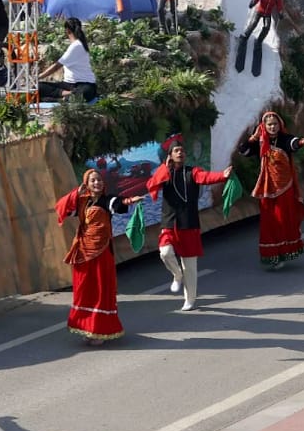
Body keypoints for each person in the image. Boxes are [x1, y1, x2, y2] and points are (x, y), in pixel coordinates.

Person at [144, 135, 231, 311]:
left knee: (190, 266)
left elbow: (206, 177)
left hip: (189, 223)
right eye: (176, 151)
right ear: (169, 155)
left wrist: (222, 175)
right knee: (165, 253)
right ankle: (176, 275)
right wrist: (164, 167)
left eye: (182, 151)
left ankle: (189, 299)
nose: (180, 153)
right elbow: (151, 185)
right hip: (170, 222)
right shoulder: (164, 174)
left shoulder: (193, 172)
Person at [54, 168, 133, 344]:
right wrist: (76, 193)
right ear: (87, 184)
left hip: (101, 253)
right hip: (83, 252)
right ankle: (85, 326)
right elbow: (61, 208)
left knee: (100, 289)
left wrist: (130, 200)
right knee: (83, 290)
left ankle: (99, 329)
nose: (97, 183)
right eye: (93, 181)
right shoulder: (83, 202)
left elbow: (119, 204)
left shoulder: (107, 201)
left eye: (99, 180)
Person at [239, 112, 304, 269]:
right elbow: (243, 151)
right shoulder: (259, 142)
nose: (272, 127)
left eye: (275, 124)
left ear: (280, 125)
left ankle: (284, 250)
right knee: (269, 221)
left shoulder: (284, 138)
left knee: (284, 219)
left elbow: (292, 143)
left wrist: (300, 142)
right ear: (264, 126)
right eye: (269, 124)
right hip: (267, 188)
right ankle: (273, 254)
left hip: (285, 187)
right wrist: (254, 138)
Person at [37, 17, 97, 102]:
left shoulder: (77, 45)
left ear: (67, 30)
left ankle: (63, 97)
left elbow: (57, 66)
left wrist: (39, 76)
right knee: (39, 87)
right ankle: (67, 95)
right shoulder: (78, 44)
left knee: (85, 93)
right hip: (68, 85)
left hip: (84, 84)